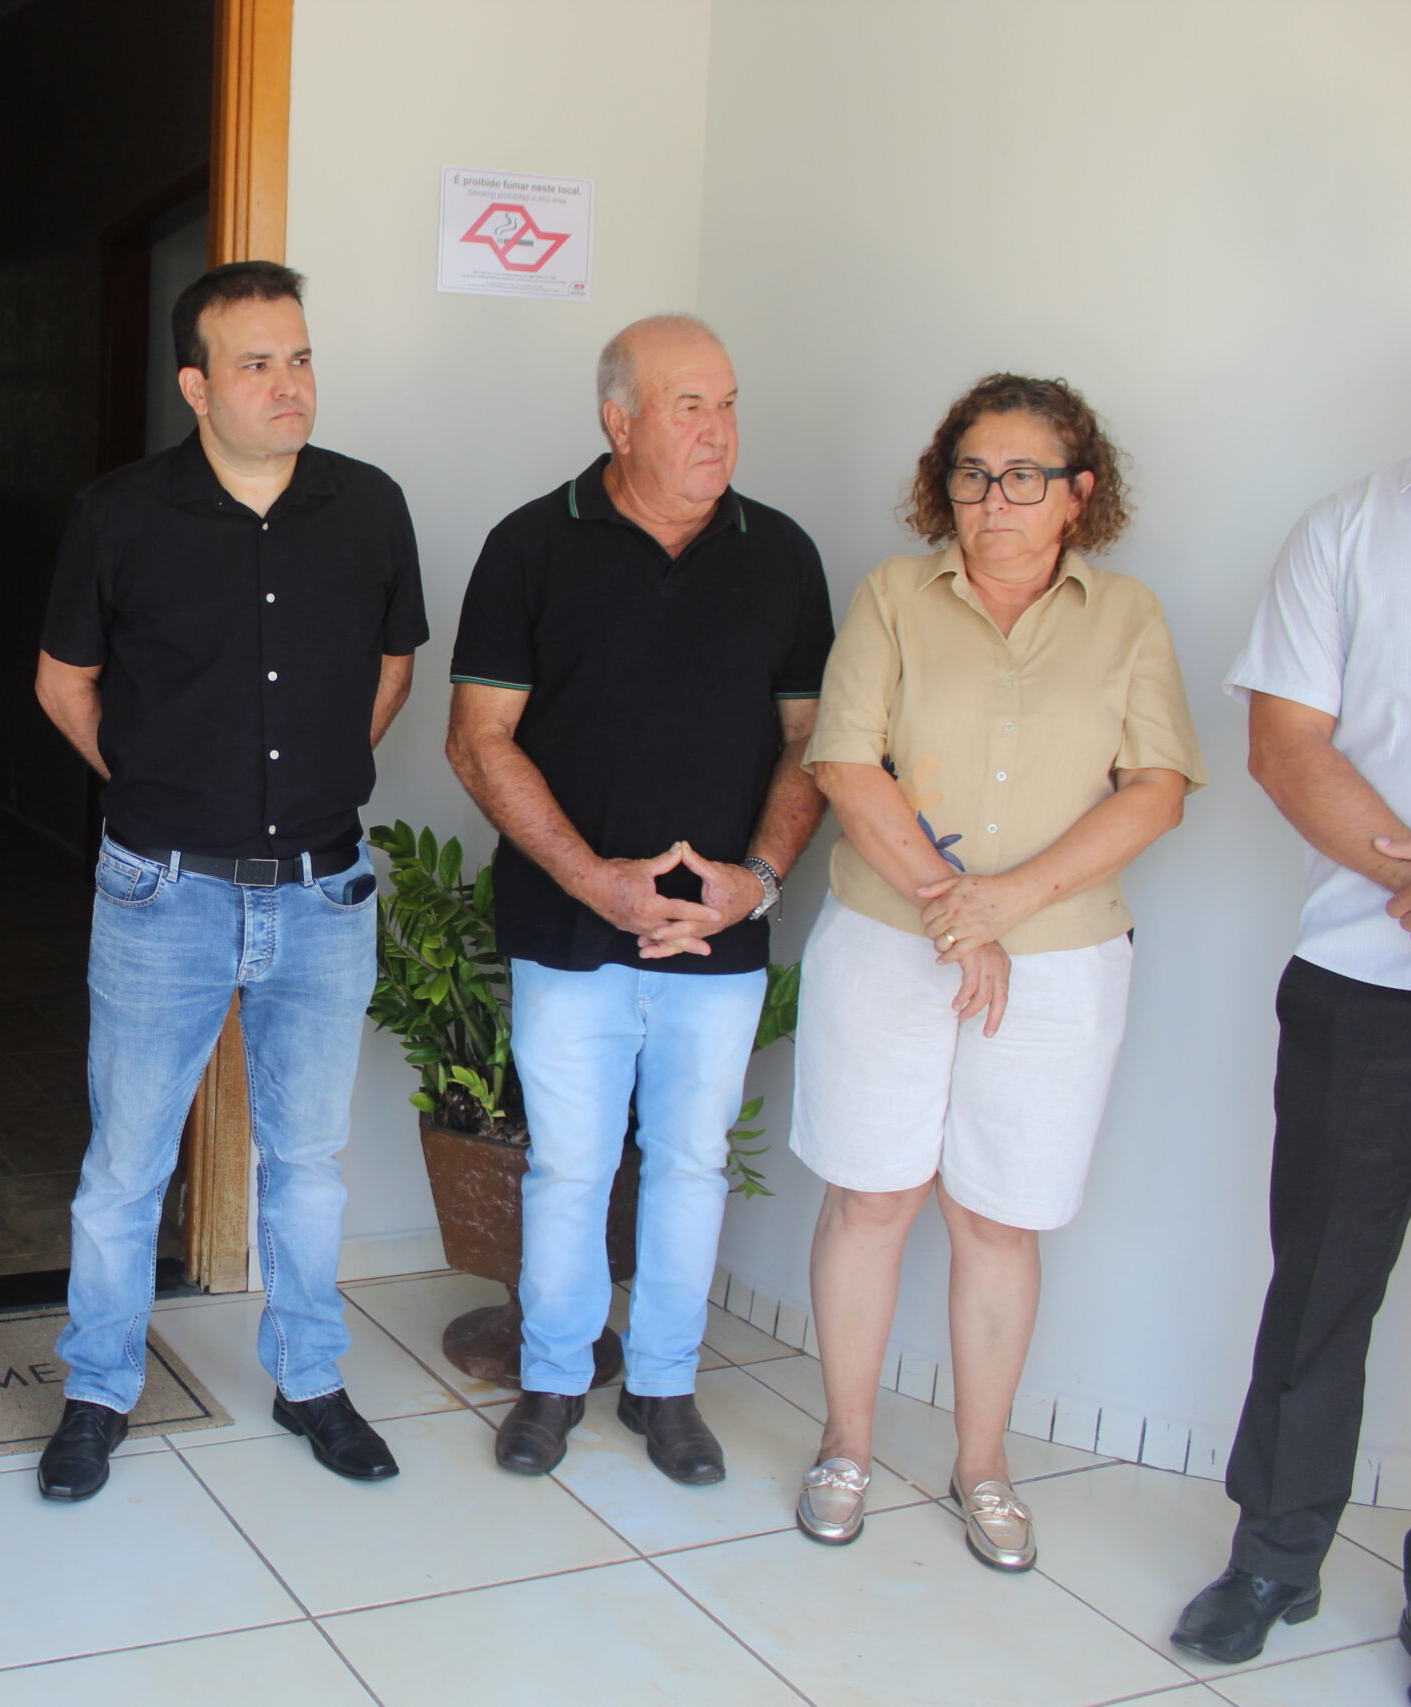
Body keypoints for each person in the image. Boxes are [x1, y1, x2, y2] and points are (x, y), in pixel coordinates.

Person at [31, 260, 427, 1501]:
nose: (288, 383)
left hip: (323, 892)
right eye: (256, 363)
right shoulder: (118, 514)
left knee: (307, 1162)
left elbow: (393, 666)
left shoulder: (368, 505)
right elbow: (61, 682)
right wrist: (156, 781)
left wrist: (314, 774)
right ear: (196, 386)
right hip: (164, 892)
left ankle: (311, 1380)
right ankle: (98, 1390)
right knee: (126, 1166)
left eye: (299, 358)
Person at [793, 374, 1203, 1569]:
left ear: (1078, 494)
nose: (993, 499)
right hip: (890, 939)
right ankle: (845, 1446)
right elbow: (845, 764)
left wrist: (1006, 906)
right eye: (971, 474)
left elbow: (1157, 790)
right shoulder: (893, 595)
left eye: (1024, 477)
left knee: (996, 1217)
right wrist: (954, 914)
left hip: (1060, 961)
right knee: (871, 1198)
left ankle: (983, 1467)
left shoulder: (1126, 615)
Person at [446, 314, 831, 1489]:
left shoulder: (780, 552)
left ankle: (663, 1386)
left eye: (727, 404)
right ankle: (554, 1377)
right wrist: (596, 882)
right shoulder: (530, 544)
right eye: (687, 407)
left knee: (690, 1163)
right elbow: (477, 740)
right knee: (568, 1166)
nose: (718, 431)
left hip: (718, 930)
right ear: (618, 421)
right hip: (570, 924)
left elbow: (812, 743)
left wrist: (752, 884)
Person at [1173, 452, 1411, 1673]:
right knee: (1321, 1287)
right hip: (1365, 984)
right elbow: (1283, 744)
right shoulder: (1350, 530)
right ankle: (1273, 1555)